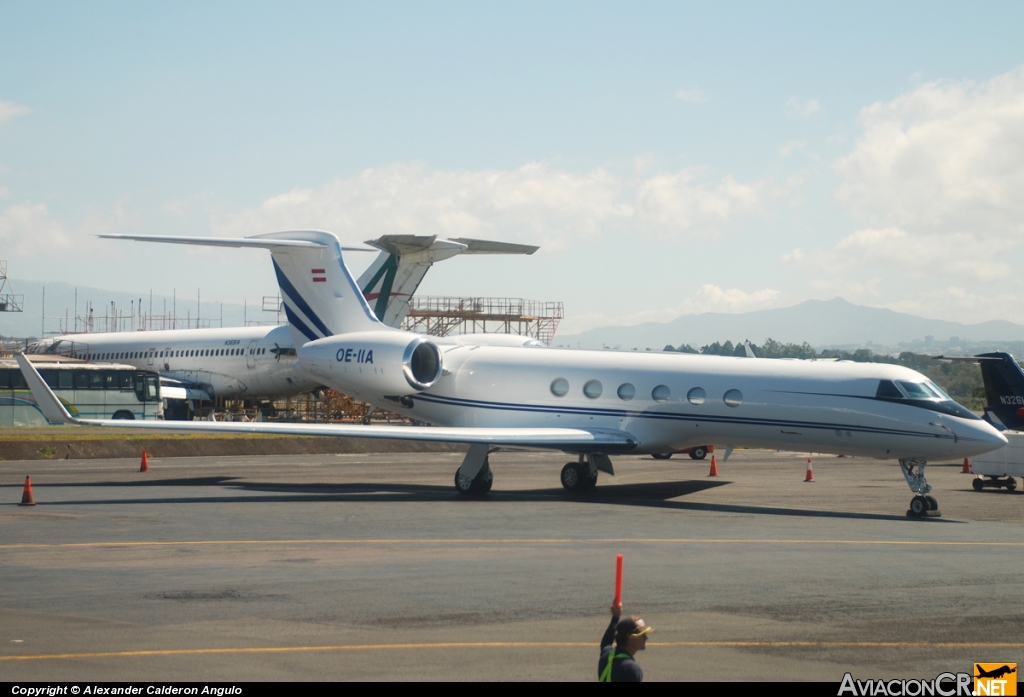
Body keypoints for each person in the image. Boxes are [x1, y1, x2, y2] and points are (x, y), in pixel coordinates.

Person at [598, 601, 652, 682]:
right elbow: (605, 643)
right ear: (629, 636)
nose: (646, 638)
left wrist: (615, 617)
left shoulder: (607, 656)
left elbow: (606, 643)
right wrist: (615, 616)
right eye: (642, 635)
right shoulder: (632, 669)